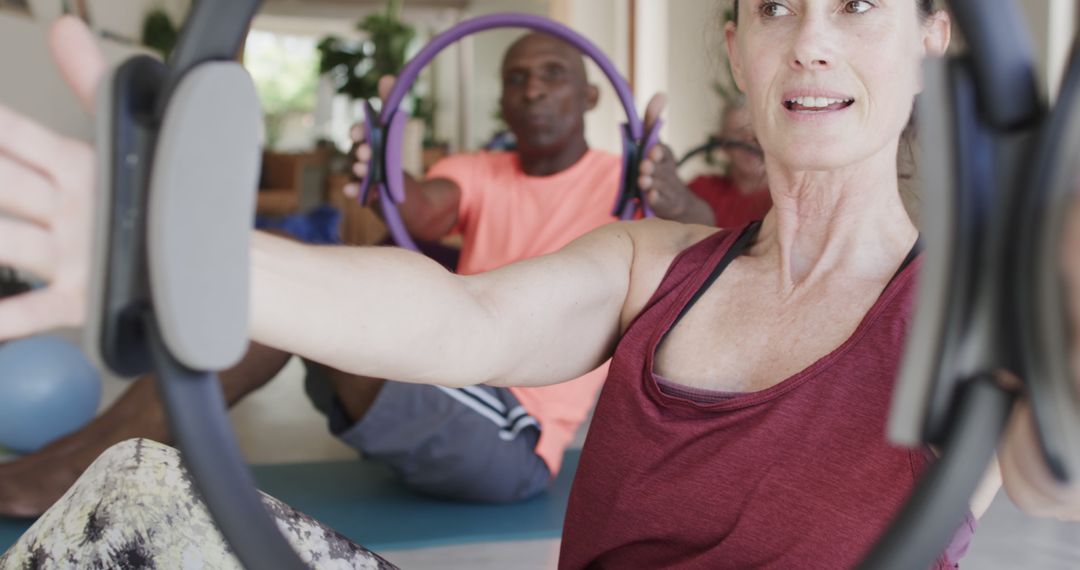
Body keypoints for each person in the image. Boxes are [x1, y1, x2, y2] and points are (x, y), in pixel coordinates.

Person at [3, 2, 1080, 568]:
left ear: (938, 40)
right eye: (778, 8)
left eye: (857, 4)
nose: (810, 45)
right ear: (738, 49)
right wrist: (188, 254)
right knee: (137, 501)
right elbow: (456, 317)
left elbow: (1047, 474)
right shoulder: (651, 264)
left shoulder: (973, 306)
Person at [0, 30, 656, 516]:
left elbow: (702, 234)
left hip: (510, 431)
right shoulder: (479, 170)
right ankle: (76, 454)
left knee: (288, 293)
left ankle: (83, 464)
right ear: (504, 98)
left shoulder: (627, 183)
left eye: (551, 74)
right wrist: (383, 168)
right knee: (288, 288)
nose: (533, 88)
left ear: (592, 93)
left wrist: (672, 193)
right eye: (517, 78)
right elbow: (421, 210)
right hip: (441, 378)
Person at [639, 95, 772, 227]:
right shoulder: (703, 188)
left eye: (759, 131)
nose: (751, 140)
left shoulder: (784, 198)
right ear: (722, 144)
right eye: (739, 133)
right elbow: (687, 211)